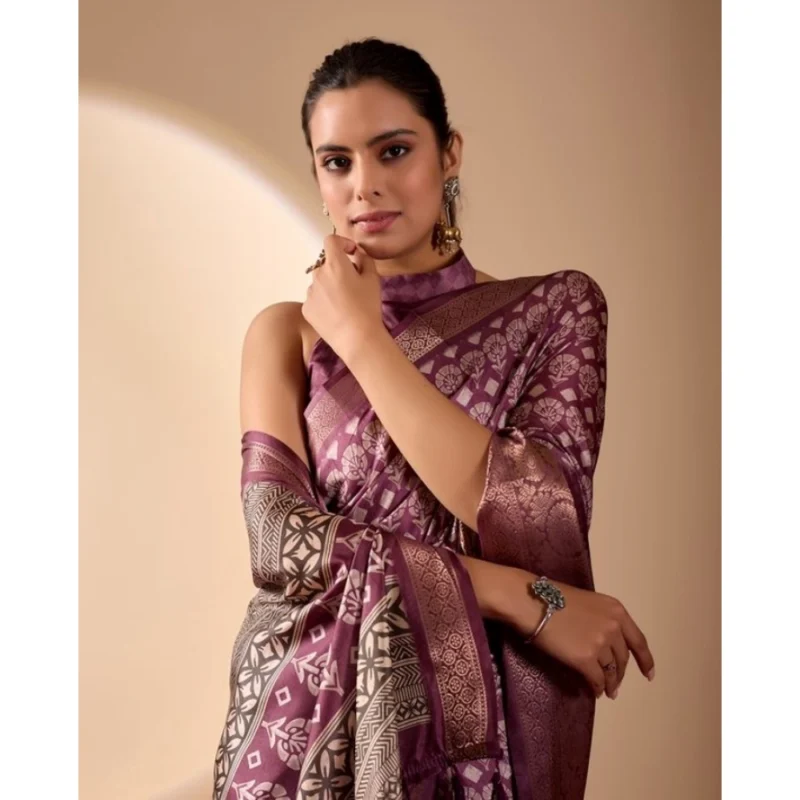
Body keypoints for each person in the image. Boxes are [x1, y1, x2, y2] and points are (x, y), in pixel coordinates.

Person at [212, 37, 655, 800]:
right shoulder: (285, 335)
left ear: (449, 154)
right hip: (297, 724)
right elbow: (280, 541)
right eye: (337, 162)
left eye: (393, 151)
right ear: (318, 177)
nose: (365, 186)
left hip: (469, 735)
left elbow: (534, 509)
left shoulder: (553, 313)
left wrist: (364, 340)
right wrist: (522, 596)